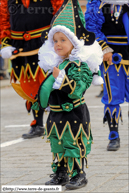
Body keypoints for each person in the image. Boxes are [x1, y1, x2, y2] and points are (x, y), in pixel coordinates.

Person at [33, 0, 103, 189]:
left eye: (63, 40)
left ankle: (79, 174)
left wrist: (61, 78)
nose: (58, 44)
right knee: (57, 145)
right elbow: (45, 90)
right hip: (55, 114)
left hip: (73, 113)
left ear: (74, 43)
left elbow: (77, 90)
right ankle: (61, 173)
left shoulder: (79, 67)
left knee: (73, 144)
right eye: (55, 41)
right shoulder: (54, 65)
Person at [0, 0, 63, 138]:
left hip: (45, 43)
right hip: (20, 47)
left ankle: (59, 121)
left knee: (52, 84)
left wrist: (59, 40)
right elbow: (3, 20)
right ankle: (38, 123)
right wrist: (5, 43)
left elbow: (60, 12)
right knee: (30, 86)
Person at [85, 0, 129, 151]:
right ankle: (114, 135)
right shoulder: (98, 3)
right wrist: (104, 48)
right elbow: (91, 26)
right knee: (112, 97)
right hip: (110, 55)